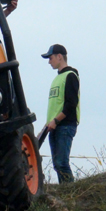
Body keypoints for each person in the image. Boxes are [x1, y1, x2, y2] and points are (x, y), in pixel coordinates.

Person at [42, 44, 80, 183]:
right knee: (57, 165)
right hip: (54, 126)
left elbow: (71, 104)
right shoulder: (57, 79)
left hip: (64, 125)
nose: (49, 61)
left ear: (59, 56)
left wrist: (56, 121)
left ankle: (70, 193)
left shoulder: (70, 76)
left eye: (50, 58)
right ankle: (66, 192)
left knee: (62, 163)